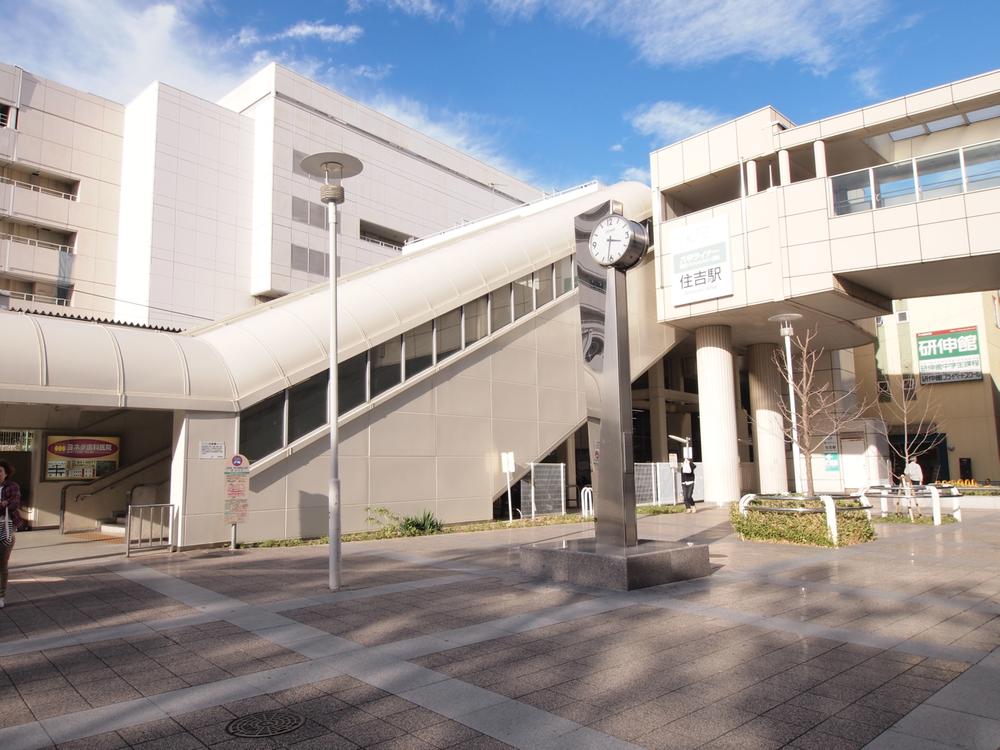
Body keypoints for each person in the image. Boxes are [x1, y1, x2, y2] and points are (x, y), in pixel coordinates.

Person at [0, 460, 21, 609]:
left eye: (0, 471)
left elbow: (14, 504)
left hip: (6, 529)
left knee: (2, 564)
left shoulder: (12, 486)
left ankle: (0, 596)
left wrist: (6, 503)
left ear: (6, 473)